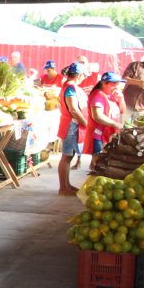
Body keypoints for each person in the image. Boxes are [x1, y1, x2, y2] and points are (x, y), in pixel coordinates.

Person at [57, 63, 88, 195]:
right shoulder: (70, 88)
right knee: (66, 156)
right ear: (79, 75)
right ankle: (63, 188)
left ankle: (67, 185)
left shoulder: (71, 86)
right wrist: (85, 123)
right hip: (71, 125)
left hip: (72, 125)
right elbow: (73, 109)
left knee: (69, 156)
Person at [84, 72, 124, 169]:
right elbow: (97, 116)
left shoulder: (110, 95)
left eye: (117, 84)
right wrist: (115, 124)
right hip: (98, 136)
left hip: (107, 135)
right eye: (113, 84)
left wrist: (121, 99)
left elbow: (122, 110)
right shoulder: (98, 95)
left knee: (101, 163)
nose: (116, 87)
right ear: (104, 83)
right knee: (98, 164)